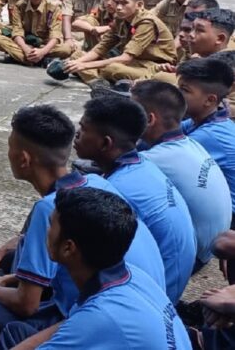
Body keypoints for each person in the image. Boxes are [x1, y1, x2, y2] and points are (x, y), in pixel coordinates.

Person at [0, 104, 166, 349]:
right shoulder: (95, 182)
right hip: (137, 296)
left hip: (92, 315)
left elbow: (26, 305)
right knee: (16, 260)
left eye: (10, 147)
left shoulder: (51, 209)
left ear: (24, 159)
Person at [3, 187, 190, 349]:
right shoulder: (133, 276)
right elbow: (69, 324)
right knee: (17, 333)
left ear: (68, 248)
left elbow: (85, 323)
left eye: (51, 225)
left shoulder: (100, 315)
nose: (46, 231)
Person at [77, 95, 195, 303]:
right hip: (168, 281)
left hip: (153, 295)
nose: (77, 134)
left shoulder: (116, 189)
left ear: (106, 143)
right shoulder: (141, 165)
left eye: (84, 129)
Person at [131, 80, 231, 270]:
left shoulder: (152, 160)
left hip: (190, 259)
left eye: (129, 113)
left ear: (150, 120)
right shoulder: (190, 143)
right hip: (209, 249)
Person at [61, 0, 177, 86]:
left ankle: (96, 79)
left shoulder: (146, 22)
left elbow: (126, 58)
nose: (119, 7)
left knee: (112, 68)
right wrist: (80, 62)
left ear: (139, 5)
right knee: (77, 56)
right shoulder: (120, 18)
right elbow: (102, 47)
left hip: (154, 66)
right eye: (117, 3)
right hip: (133, 63)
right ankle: (98, 83)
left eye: (124, 3)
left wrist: (85, 66)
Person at [179, 58, 235, 215]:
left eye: (184, 90)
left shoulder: (209, 136)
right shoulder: (200, 120)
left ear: (210, 100)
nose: (177, 95)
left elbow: (160, 152)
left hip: (228, 219)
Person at [2, 0, 71, 66]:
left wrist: (42, 51)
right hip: (25, 43)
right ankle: (42, 61)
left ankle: (24, 59)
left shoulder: (53, 8)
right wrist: (26, 49)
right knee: (0, 41)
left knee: (66, 49)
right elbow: (17, 31)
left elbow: (55, 35)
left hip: (44, 44)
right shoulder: (19, 6)